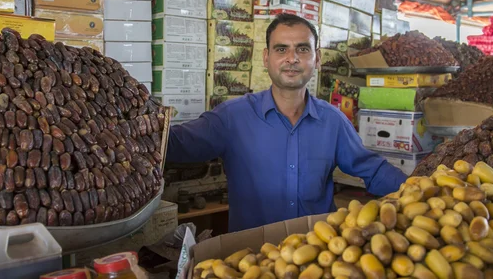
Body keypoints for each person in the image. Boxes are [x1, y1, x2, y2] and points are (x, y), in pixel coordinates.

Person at [167, 13, 407, 232]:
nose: (292, 58)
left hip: (320, 253)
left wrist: (421, 189)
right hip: (252, 258)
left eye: (302, 49)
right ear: (266, 57)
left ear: (317, 58)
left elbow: (373, 171)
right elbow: (176, 143)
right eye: (281, 49)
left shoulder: (332, 121)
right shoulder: (232, 117)